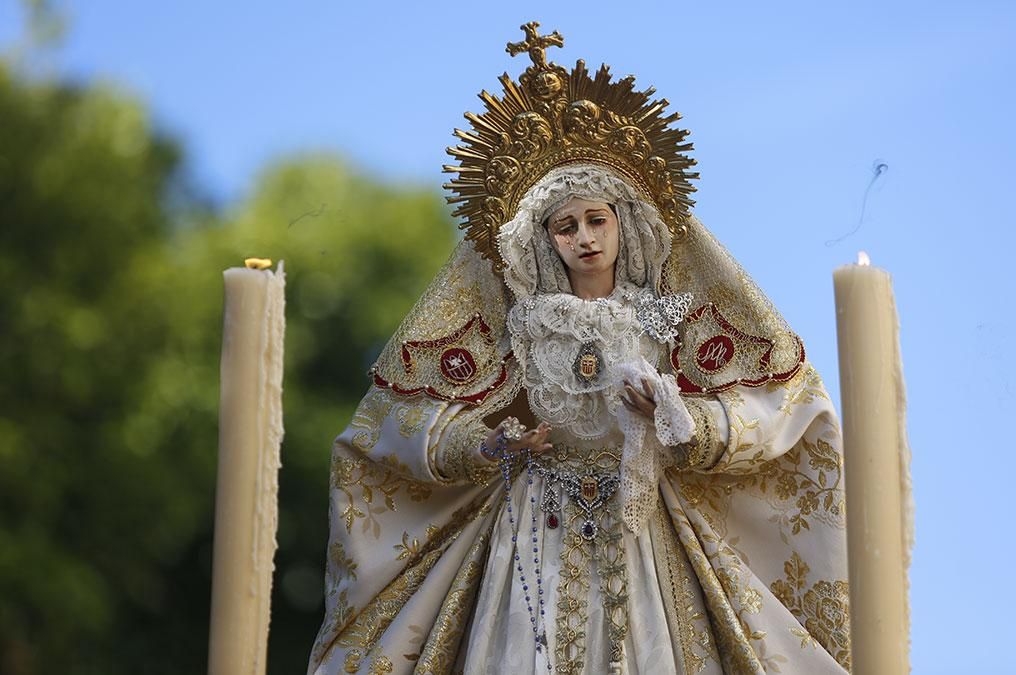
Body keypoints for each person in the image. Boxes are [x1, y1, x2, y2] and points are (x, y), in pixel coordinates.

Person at [308, 22, 850, 675]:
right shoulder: (521, 326)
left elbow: (767, 405)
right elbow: (401, 424)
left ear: (626, 221)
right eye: (566, 226)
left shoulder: (664, 315)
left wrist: (671, 414)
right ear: (542, 240)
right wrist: (488, 446)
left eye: (597, 219)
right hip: (535, 529)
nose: (585, 238)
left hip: (638, 523)